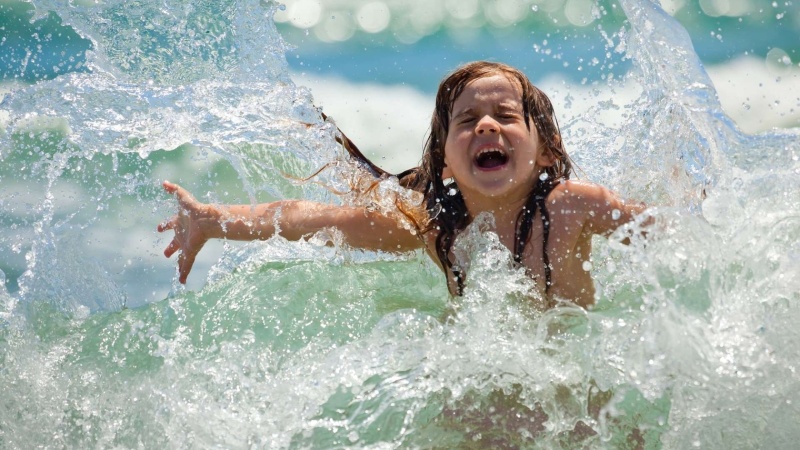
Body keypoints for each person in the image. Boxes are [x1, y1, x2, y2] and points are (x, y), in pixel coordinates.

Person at [158, 61, 646, 309]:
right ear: (446, 163)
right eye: (467, 120)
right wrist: (212, 220)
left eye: (505, 116)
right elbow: (311, 218)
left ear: (547, 151)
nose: (486, 127)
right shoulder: (436, 228)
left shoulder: (570, 209)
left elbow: (680, 237)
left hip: (576, 391)